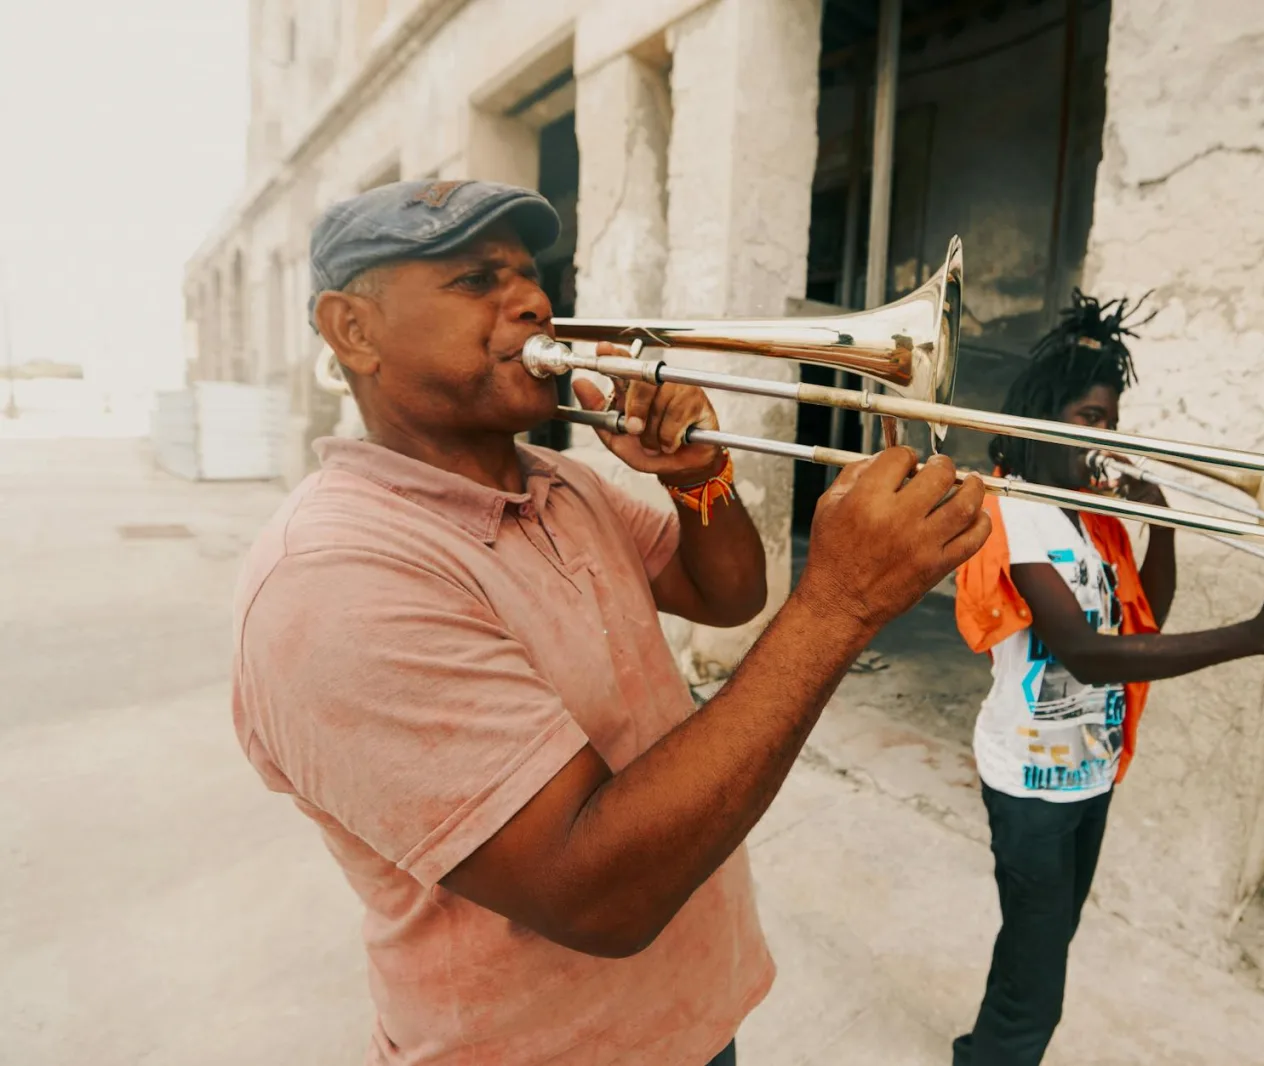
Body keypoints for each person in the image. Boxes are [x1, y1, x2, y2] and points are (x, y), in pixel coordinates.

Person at [230, 179, 991, 1066]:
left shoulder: (562, 485)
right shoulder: (334, 579)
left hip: (695, 1018)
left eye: (531, 275)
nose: (536, 301)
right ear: (352, 330)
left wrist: (697, 477)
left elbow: (728, 596)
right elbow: (597, 895)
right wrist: (841, 606)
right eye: (477, 281)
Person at [950, 292, 1264, 1066]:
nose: (1105, 436)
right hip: (1030, 787)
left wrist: (1163, 523)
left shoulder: (1092, 516)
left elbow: (1140, 623)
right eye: (1090, 416)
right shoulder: (1016, 514)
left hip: (1090, 773)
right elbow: (1085, 654)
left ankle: (979, 1050)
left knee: (1044, 940)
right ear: (1043, 416)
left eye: (1110, 420)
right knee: (1042, 981)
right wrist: (1257, 636)